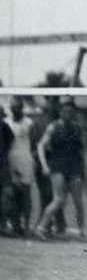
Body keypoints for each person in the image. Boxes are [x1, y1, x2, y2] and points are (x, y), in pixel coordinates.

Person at [34, 100, 87, 240]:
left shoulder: (77, 128)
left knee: (78, 200)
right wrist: (44, 165)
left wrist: (85, 167)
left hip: (74, 165)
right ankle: (41, 228)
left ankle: (81, 231)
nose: (67, 114)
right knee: (59, 199)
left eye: (70, 111)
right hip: (57, 165)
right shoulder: (53, 126)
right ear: (60, 112)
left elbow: (84, 149)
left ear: (73, 113)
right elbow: (40, 146)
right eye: (65, 111)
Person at [6, 97, 35, 237]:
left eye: (18, 107)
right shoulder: (6, 122)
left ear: (22, 107)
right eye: (13, 107)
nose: (15, 109)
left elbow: (34, 143)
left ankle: (28, 225)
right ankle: (15, 225)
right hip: (10, 159)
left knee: (26, 194)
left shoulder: (29, 123)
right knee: (12, 194)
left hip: (25, 160)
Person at [0, 105, 14, 236]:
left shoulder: (4, 126)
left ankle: (3, 224)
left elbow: (10, 141)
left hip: (3, 164)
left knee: (7, 194)